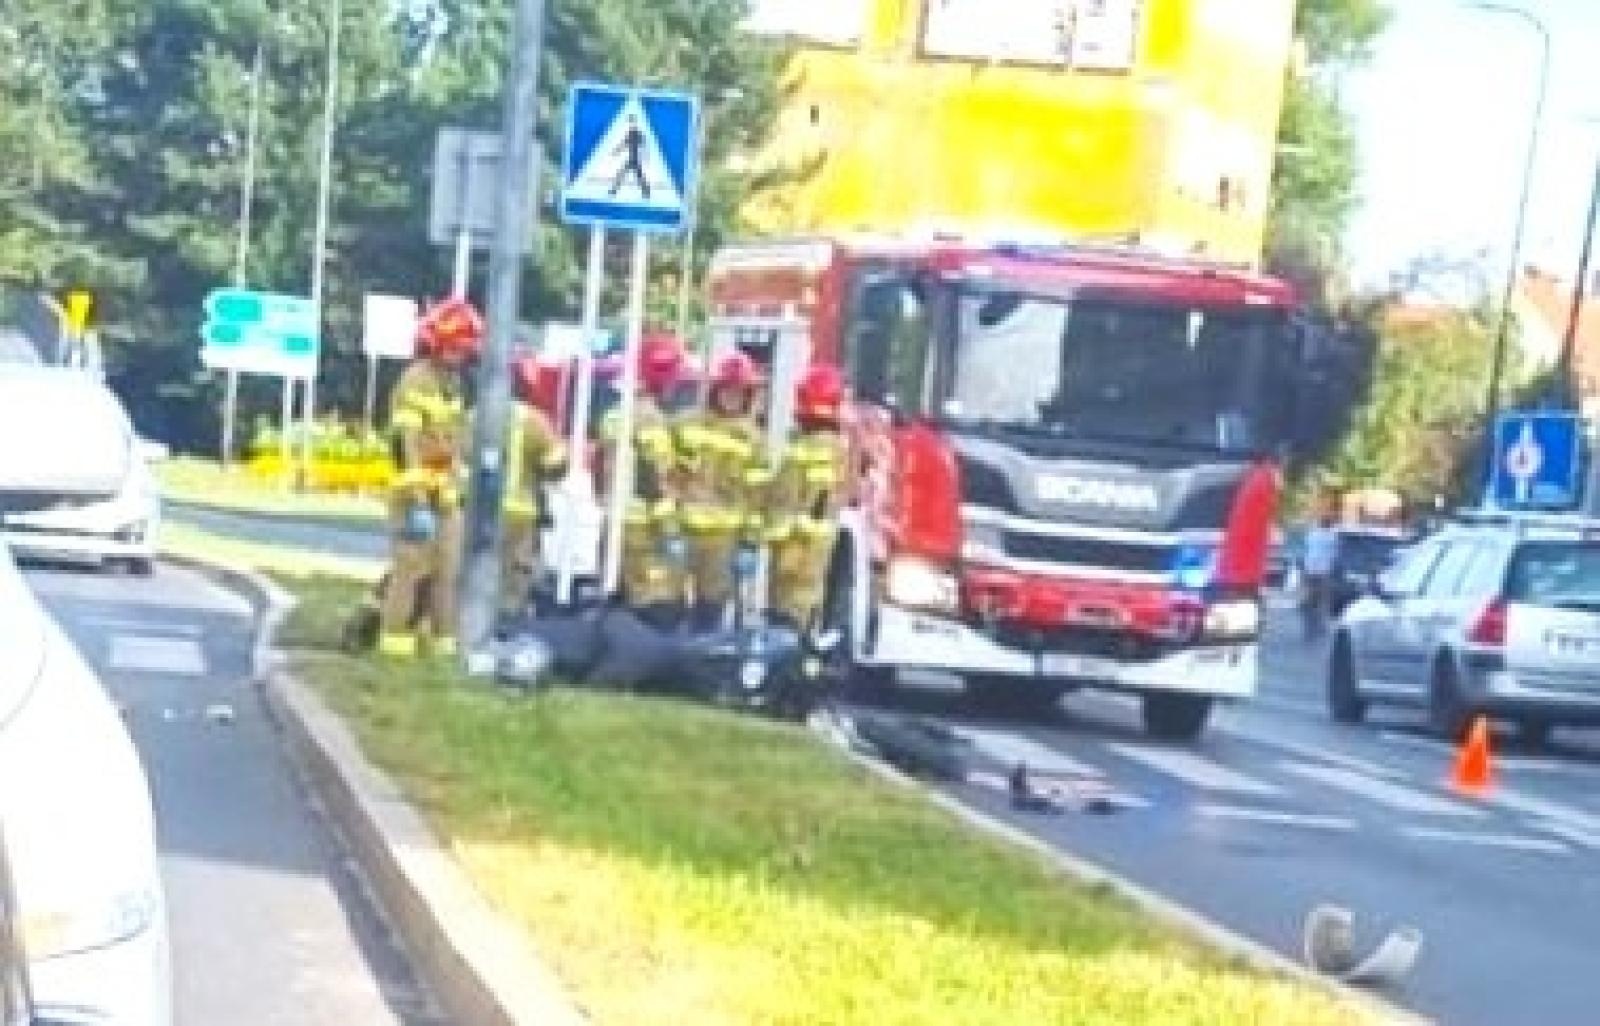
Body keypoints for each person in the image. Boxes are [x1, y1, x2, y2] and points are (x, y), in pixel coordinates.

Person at [375, 297, 481, 659]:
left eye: (464, 347)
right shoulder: (416, 381)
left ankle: (442, 647)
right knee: (411, 572)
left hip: (446, 494)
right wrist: (419, 500)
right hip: (414, 494)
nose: (460, 353)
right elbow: (406, 445)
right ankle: (395, 647)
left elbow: (454, 441)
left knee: (446, 574)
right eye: (455, 346)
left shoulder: (452, 383)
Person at [675, 351, 766, 629]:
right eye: (727, 390)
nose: (732, 397)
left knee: (711, 607)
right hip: (682, 530)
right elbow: (667, 474)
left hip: (724, 539)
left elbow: (757, 496)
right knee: (668, 603)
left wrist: (750, 542)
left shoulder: (753, 440)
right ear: (715, 390)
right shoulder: (685, 424)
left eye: (739, 392)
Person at [769, 363, 849, 632]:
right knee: (788, 611)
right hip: (800, 548)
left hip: (802, 549)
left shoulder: (820, 445)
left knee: (791, 617)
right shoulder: (818, 443)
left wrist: (788, 540)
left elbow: (814, 504)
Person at [501, 355, 569, 621]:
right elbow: (556, 464)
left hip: (476, 510)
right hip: (521, 510)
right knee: (517, 572)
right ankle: (508, 622)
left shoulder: (476, 414)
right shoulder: (535, 420)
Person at [1300, 509, 1340, 641]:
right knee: (1323, 598)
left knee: (1311, 596)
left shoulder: (1313, 534)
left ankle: (1309, 619)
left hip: (1310, 568)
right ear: (1330, 524)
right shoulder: (1333, 536)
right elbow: (1337, 552)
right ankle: (1320, 623)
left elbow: (1306, 548)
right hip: (1324, 570)